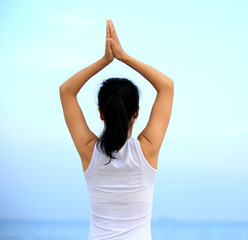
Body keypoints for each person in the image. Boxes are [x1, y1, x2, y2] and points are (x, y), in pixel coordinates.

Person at [59, 20, 174, 240]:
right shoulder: (146, 150)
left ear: (101, 113)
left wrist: (105, 60)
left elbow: (66, 91)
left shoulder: (89, 151)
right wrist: (123, 56)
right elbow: (166, 86)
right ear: (137, 112)